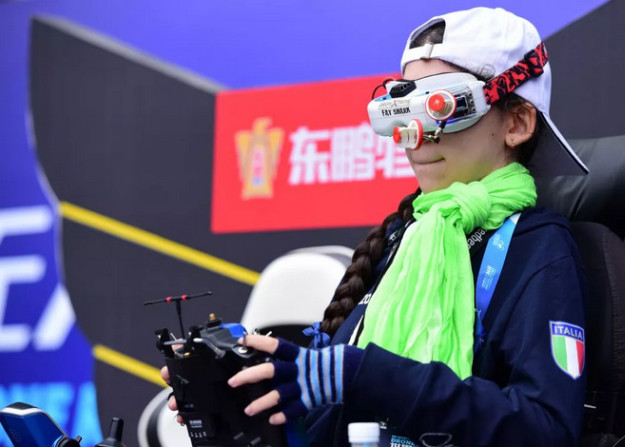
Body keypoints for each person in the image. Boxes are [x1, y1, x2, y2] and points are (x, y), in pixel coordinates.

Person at [165, 7, 589, 447]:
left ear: (517, 123)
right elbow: (342, 419)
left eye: (441, 107)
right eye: (401, 110)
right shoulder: (407, 237)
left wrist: (365, 376)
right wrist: (254, 406)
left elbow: (546, 430)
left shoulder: (538, 248)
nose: (416, 137)